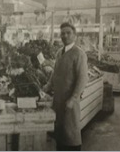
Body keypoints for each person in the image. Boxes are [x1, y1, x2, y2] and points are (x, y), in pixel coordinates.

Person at [44, 22, 89, 151]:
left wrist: (73, 97)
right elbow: (55, 72)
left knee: (71, 134)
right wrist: (47, 85)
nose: (65, 35)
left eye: (68, 33)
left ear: (74, 36)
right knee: (60, 133)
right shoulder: (59, 53)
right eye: (62, 33)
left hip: (70, 102)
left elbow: (82, 78)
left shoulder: (79, 54)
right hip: (58, 100)